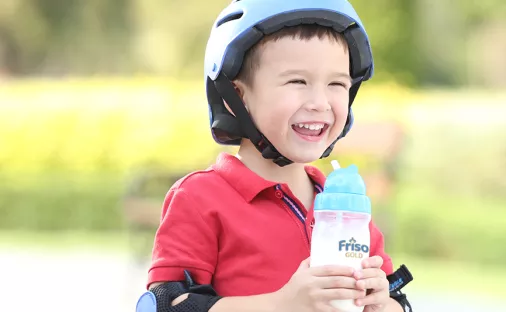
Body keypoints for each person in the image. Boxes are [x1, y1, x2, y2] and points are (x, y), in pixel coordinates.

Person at [136, 1, 413, 312]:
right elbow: (168, 305)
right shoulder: (199, 199)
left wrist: (382, 303)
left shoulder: (344, 207)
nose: (320, 102)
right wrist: (285, 304)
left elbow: (396, 299)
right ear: (237, 97)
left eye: (336, 83)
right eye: (297, 81)